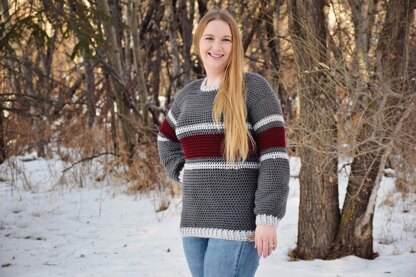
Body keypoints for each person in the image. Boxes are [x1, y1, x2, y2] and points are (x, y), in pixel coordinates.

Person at [157, 9, 290, 277]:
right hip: (194, 224)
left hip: (237, 225)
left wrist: (267, 217)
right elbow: (165, 139)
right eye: (209, 38)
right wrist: (183, 171)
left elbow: (274, 157)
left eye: (226, 40)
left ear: (235, 45)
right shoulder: (188, 95)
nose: (217, 46)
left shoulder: (254, 89)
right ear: (198, 43)